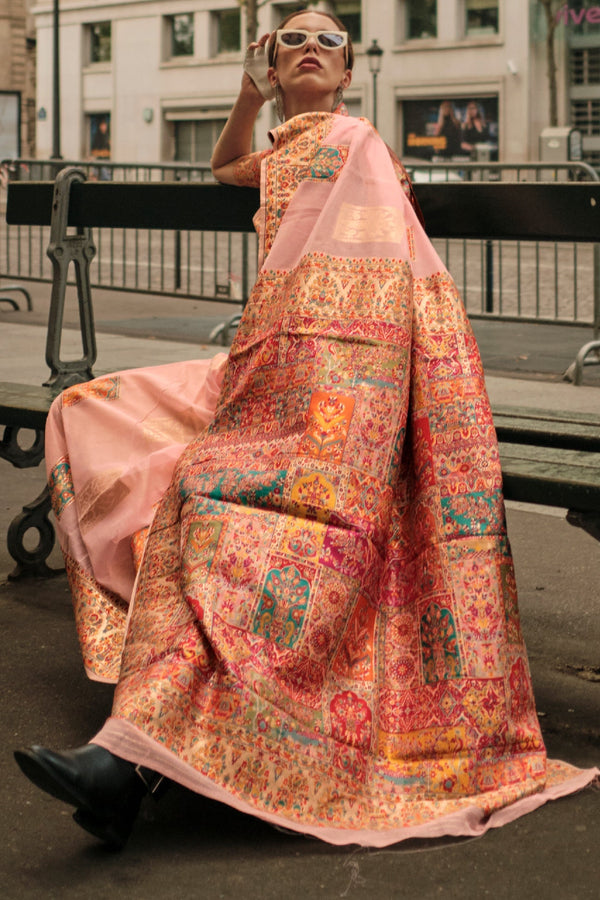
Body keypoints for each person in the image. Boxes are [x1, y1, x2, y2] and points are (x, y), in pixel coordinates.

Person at [15, 8, 598, 850]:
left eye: (331, 40)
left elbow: (371, 290)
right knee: (82, 409)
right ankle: (149, 701)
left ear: (351, 68)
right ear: (271, 62)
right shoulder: (289, 149)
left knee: (213, 505)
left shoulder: (354, 140)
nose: (314, 48)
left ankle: (135, 753)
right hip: (263, 369)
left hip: (337, 380)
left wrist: (308, 381)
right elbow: (223, 165)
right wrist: (247, 98)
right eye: (295, 39)